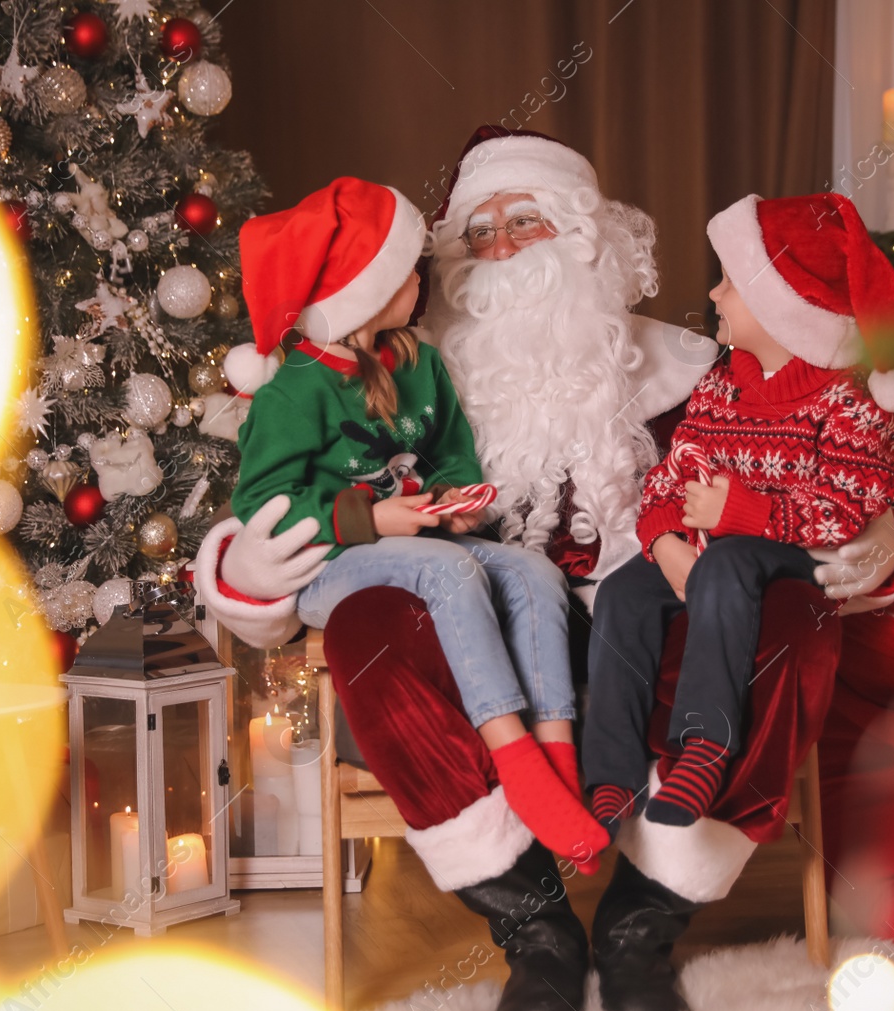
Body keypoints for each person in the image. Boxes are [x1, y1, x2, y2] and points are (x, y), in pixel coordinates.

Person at [196, 130, 894, 1011]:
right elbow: (279, 490)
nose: (500, 250)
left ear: (582, 236)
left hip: (661, 623)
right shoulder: (402, 368)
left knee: (798, 618)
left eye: (525, 223)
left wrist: (857, 539)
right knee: (368, 621)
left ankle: (641, 921)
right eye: (480, 232)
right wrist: (253, 564)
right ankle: (535, 929)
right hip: (480, 635)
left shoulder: (690, 369)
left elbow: (814, 467)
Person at [226, 177, 608, 873]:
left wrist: (450, 497)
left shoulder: (420, 364)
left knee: (531, 570)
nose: (419, 279)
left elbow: (451, 451)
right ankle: (514, 757)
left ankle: (559, 760)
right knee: (448, 567)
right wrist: (371, 516)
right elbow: (262, 501)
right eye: (403, 270)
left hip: (420, 541)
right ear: (361, 290)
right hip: (329, 566)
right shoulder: (293, 390)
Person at [585, 192, 894, 834]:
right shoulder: (722, 386)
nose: (713, 295)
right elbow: (670, 477)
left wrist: (738, 510)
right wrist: (661, 541)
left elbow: (847, 509)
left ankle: (706, 745)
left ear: (782, 306)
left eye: (730, 283)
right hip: (713, 550)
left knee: (731, 561)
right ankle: (611, 772)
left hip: (797, 559)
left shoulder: (849, 402)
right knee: (626, 591)